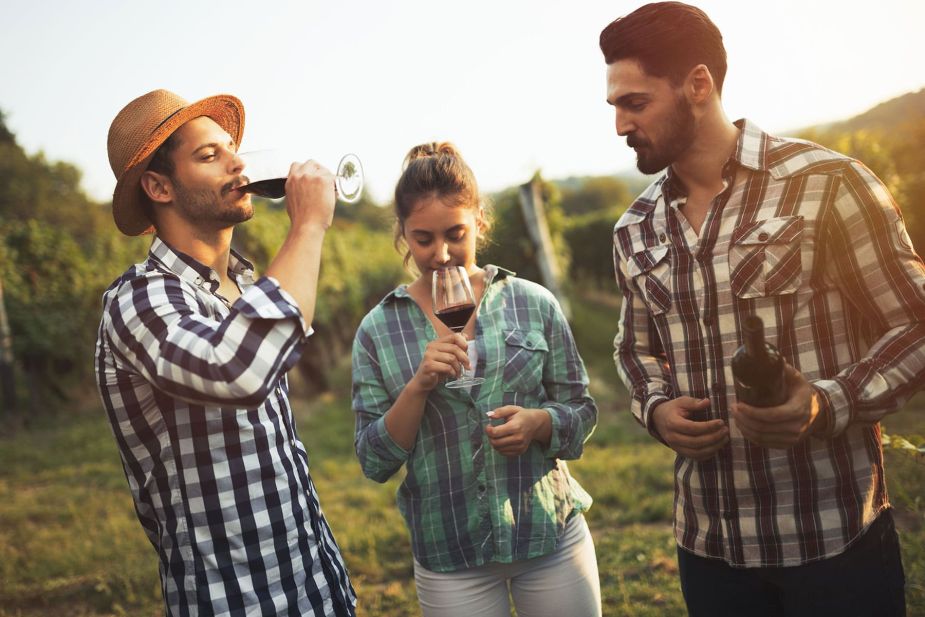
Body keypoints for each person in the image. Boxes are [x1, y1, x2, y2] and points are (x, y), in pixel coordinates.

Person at [602, 3, 925, 616]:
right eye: (615, 106)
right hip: (708, 549)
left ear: (698, 84)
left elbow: (916, 322)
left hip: (834, 542)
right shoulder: (634, 228)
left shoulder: (828, 184)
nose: (620, 124)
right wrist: (655, 407)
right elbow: (633, 346)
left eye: (635, 103)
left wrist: (827, 402)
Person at [96, 89, 356, 617]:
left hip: (314, 583)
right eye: (210, 155)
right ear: (158, 186)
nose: (238, 163)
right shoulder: (139, 300)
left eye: (231, 147)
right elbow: (237, 372)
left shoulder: (246, 286)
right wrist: (308, 225)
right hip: (234, 600)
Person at [350, 142, 601, 617]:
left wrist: (539, 424)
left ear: (479, 221)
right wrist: (420, 384)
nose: (441, 254)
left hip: (548, 534)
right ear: (402, 234)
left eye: (455, 234)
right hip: (451, 556)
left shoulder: (532, 302)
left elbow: (582, 411)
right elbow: (374, 460)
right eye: (423, 239)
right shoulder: (378, 329)